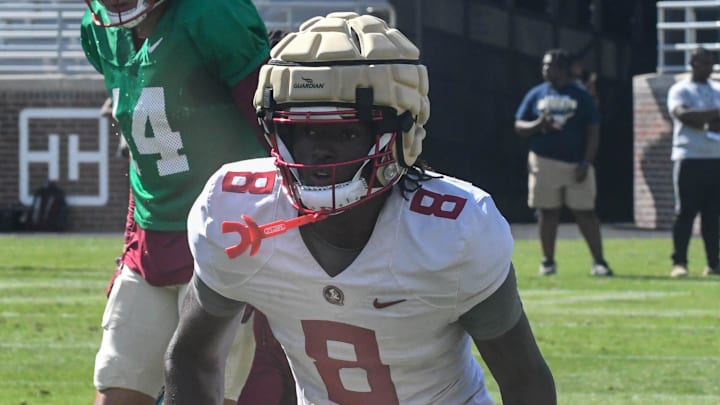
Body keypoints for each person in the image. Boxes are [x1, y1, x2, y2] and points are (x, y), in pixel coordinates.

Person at [165, 12, 556, 405]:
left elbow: (524, 378)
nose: (320, 150)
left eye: (347, 131)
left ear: (399, 134)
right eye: (304, 130)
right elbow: (192, 356)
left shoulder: (454, 231)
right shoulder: (240, 211)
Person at [80, 0, 272, 404]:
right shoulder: (98, 30)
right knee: (117, 390)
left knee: (209, 394)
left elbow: (273, 135)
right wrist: (131, 243)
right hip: (150, 245)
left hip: (224, 239)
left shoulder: (212, 14)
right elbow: (144, 157)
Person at [514, 48, 613, 277]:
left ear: (562, 68)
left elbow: (593, 131)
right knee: (548, 212)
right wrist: (539, 124)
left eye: (550, 65)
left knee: (585, 213)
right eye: (544, 65)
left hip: (576, 164)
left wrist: (586, 163)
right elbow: (519, 126)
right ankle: (548, 262)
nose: (545, 69)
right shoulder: (536, 94)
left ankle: (599, 262)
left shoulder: (580, 95)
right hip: (544, 161)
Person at [666, 47, 720, 278]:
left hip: (715, 158)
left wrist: (702, 117)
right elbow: (684, 116)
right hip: (689, 157)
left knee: (713, 214)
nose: (708, 68)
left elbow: (698, 118)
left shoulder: (717, 89)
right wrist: (713, 115)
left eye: (711, 64)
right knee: (685, 212)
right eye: (703, 63)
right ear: (692, 63)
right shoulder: (680, 89)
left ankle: (713, 263)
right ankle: (680, 262)